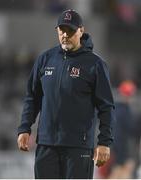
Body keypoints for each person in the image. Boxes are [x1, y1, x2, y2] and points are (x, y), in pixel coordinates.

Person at [17, 9, 115, 179]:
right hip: (46, 145)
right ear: (57, 31)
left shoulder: (95, 65)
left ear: (81, 31)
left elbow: (107, 107)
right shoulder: (45, 59)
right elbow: (32, 97)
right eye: (62, 30)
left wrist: (104, 142)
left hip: (78, 146)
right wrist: (24, 127)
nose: (65, 35)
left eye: (71, 30)